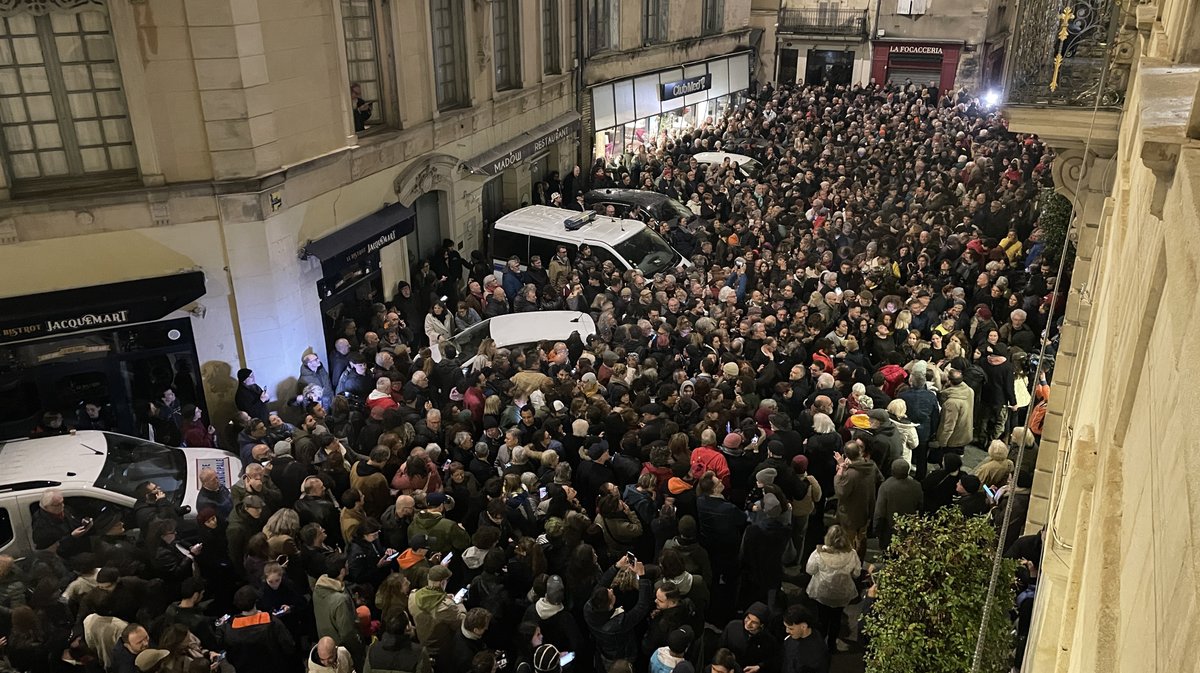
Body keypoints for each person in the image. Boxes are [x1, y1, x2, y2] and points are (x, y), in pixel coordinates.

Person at [804, 525, 860, 651]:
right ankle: (832, 643)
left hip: (822, 592)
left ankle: (819, 643)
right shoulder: (852, 554)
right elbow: (856, 573)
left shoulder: (819, 553)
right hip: (842, 593)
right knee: (836, 618)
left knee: (822, 617)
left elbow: (809, 570)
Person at [872, 459, 924, 552]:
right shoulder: (916, 485)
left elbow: (879, 511)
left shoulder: (886, 486)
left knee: (889, 554)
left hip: (890, 528)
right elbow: (920, 506)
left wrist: (876, 528)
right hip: (909, 526)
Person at [781, 605, 830, 673]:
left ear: (803, 626)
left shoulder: (816, 655)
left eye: (791, 628)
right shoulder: (793, 637)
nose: (787, 631)